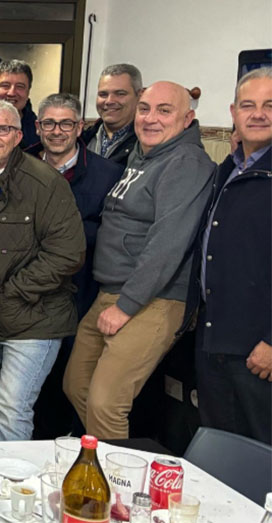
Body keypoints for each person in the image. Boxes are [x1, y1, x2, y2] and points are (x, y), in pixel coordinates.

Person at [64, 82, 215, 439]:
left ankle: (117, 487)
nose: (150, 118)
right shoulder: (144, 154)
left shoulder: (186, 163)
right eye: (145, 108)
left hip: (154, 299)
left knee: (106, 403)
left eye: (164, 111)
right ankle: (101, 465)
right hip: (112, 290)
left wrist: (127, 306)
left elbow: (168, 243)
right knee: (76, 384)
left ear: (187, 118)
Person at [0, 100, 84, 441]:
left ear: (18, 136)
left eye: (2, 129)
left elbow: (68, 254)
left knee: (12, 404)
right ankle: (11, 450)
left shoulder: (45, 183)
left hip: (35, 318)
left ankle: (11, 485)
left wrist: (14, 291)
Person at [24, 93, 123, 439]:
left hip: (83, 294)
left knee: (75, 379)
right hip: (31, 295)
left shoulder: (109, 174)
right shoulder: (21, 166)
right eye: (48, 123)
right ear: (37, 127)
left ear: (80, 127)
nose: (56, 131)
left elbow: (112, 235)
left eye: (66, 123)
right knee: (36, 388)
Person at [191, 68, 272, 444]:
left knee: (260, 458)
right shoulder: (229, 167)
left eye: (270, 105)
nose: (258, 114)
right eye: (248, 105)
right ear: (233, 113)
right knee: (220, 451)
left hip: (259, 351)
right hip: (215, 340)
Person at [83, 64, 143, 166]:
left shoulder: (147, 144)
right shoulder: (81, 139)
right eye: (103, 94)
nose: (109, 101)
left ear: (140, 96)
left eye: (120, 93)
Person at [0, 59, 39, 148]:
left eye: (20, 87)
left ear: (28, 92)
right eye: (5, 85)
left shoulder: (39, 132)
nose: (11, 93)